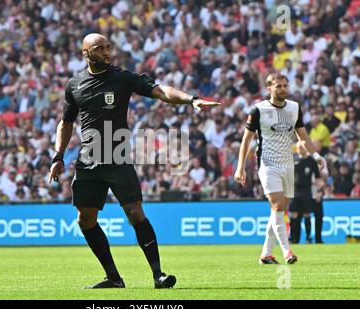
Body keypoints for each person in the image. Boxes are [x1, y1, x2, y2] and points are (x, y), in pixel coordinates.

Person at [48, 33, 220, 289]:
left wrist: (191, 99)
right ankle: (113, 278)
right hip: (88, 160)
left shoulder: (122, 77)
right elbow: (67, 122)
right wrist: (58, 156)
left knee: (136, 213)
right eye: (100, 48)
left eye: (109, 47)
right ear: (86, 53)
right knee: (85, 220)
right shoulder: (75, 84)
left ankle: (158, 275)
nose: (107, 52)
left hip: (117, 158)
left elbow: (160, 90)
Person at [234, 73, 325, 265]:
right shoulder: (258, 110)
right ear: (269, 88)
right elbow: (246, 141)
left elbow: (303, 136)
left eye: (285, 86)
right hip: (268, 164)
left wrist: (316, 156)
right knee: (277, 206)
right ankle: (287, 252)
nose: (283, 89)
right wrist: (240, 167)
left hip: (288, 164)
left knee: (280, 209)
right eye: (278, 86)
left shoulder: (294, 107)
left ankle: (266, 254)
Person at [288, 141, 323, 244]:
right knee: (293, 214)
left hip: (307, 190)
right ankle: (293, 237)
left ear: (306, 148)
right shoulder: (293, 159)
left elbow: (317, 177)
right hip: (294, 191)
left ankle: (308, 237)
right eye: (298, 147)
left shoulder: (311, 161)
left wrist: (318, 191)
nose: (299, 149)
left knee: (307, 213)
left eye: (301, 147)